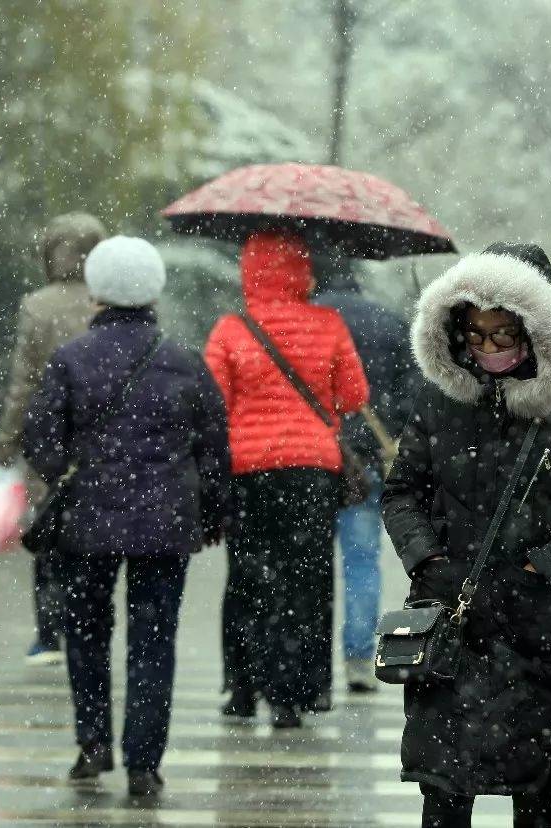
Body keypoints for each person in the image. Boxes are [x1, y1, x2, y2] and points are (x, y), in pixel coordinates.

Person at [383, 242, 551, 828]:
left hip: (540, 631)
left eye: (504, 334)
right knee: (443, 789)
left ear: (538, 326)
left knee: (538, 792)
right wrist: (427, 560)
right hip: (450, 620)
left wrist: (539, 569)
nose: (489, 348)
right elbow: (402, 493)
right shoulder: (438, 399)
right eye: (477, 334)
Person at [22, 236, 229, 798]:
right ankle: (144, 762)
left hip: (87, 522)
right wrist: (212, 512)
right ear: (153, 292)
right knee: (153, 640)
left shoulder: (71, 358)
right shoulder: (183, 360)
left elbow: (39, 437)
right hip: (165, 523)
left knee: (87, 635)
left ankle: (92, 744)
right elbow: (214, 446)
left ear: (98, 293)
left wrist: (72, 469)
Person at [206, 230, 369, 729]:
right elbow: (353, 395)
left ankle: (242, 687)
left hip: (249, 471)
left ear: (249, 272)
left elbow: (213, 404)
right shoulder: (329, 324)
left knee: (248, 578)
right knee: (307, 580)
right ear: (302, 272)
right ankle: (295, 693)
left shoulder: (231, 330)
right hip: (312, 472)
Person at [0, 212, 107, 666]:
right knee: (95, 533)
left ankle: (49, 633)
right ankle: (89, 624)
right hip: (104, 438)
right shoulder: (109, 300)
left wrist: (7, 440)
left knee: (48, 532)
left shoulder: (37, 305)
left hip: (51, 439)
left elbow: (23, 383)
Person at [315, 259, 416, 696]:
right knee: (362, 561)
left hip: (316, 456)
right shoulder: (389, 323)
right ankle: (357, 660)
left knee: (310, 568)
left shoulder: (309, 318)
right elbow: (411, 394)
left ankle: (311, 671)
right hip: (370, 458)